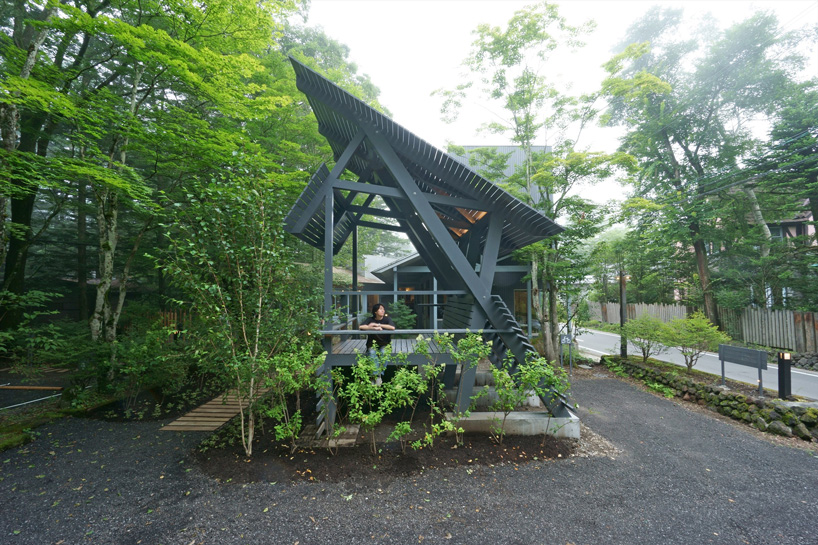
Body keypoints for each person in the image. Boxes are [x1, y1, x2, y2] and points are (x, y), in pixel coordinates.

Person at [359, 303, 396, 382]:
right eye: (380, 309)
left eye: (383, 309)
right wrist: (372, 328)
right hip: (372, 344)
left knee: (384, 352)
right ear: (375, 311)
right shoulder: (370, 319)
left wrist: (378, 324)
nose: (382, 310)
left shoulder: (387, 319)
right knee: (372, 353)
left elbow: (392, 327)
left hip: (385, 344)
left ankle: (380, 374)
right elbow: (361, 327)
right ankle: (375, 375)